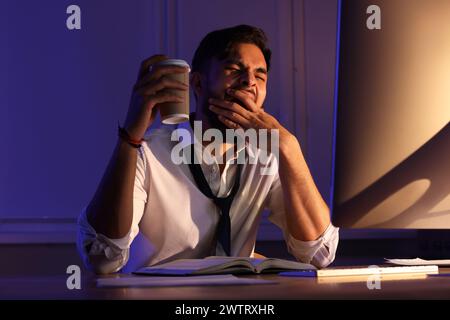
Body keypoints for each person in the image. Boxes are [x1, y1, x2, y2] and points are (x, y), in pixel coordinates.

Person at [77, 24, 339, 274]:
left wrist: (289, 146)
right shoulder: (147, 152)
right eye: (235, 69)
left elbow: (320, 253)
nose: (249, 82)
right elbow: (102, 259)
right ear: (199, 84)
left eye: (260, 74)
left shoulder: (267, 156)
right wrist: (129, 138)